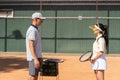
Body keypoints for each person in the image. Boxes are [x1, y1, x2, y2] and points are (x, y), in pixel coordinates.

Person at [26, 12, 46, 80]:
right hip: (33, 58)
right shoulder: (32, 30)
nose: (42, 21)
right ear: (35, 19)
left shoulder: (36, 29)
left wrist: (39, 57)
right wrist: (35, 59)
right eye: (40, 19)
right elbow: (31, 45)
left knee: (35, 76)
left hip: (36, 57)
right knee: (33, 76)